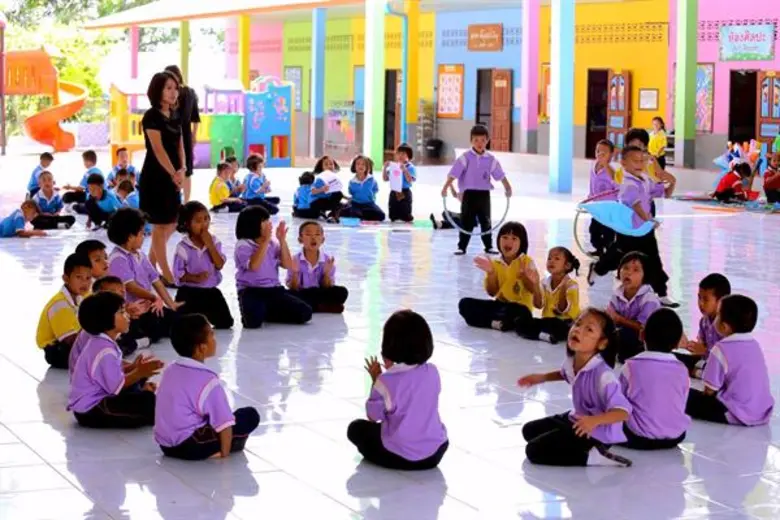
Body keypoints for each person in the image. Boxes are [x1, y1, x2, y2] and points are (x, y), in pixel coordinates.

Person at [518, 308, 632, 467]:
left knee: (533, 451)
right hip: (577, 418)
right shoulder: (573, 361)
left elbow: (623, 412)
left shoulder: (604, 376)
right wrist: (541, 378)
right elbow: (564, 374)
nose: (578, 330)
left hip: (595, 431)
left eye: (589, 329)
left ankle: (595, 457)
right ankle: (575, 444)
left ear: (602, 343)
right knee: (529, 430)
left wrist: (593, 421)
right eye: (578, 324)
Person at [347, 310, 448, 470]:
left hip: (400, 455)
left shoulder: (386, 381)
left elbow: (373, 416)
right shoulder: (432, 371)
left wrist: (376, 381)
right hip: (435, 453)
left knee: (355, 429)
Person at [155, 314, 259, 460]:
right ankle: (223, 447)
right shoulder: (208, 381)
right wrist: (224, 453)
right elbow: (224, 423)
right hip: (191, 445)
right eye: (211, 334)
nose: (215, 339)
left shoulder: (170, 370)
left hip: (165, 446)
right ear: (201, 348)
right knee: (249, 415)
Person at [589, 145, 677, 307]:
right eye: (635, 161)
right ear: (624, 163)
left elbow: (664, 193)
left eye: (642, 160)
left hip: (644, 231)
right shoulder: (628, 184)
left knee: (653, 260)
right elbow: (636, 206)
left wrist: (672, 182)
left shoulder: (646, 180)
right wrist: (649, 220)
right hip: (629, 230)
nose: (640, 164)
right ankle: (598, 268)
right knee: (618, 257)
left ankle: (661, 293)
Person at [67, 291, 163, 429]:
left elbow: (113, 374)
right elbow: (116, 386)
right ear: (105, 319)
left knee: (140, 387)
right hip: (92, 410)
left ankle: (142, 392)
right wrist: (139, 372)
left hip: (99, 399)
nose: (127, 316)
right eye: (122, 312)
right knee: (148, 402)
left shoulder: (102, 342)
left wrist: (135, 368)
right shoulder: (104, 351)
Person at [685, 295, 774, 426]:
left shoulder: (721, 348)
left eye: (718, 315)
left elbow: (709, 391)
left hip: (734, 412)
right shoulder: (755, 344)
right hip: (761, 412)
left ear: (724, 326)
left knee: (685, 395)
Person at [107, 208, 183, 343]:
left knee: (177, 320)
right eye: (142, 233)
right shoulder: (118, 258)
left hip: (148, 306)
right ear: (130, 237)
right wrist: (153, 297)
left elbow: (156, 280)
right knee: (154, 329)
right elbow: (131, 287)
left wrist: (171, 304)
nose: (144, 236)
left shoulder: (139, 254)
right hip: (133, 312)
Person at [619, 308, 690, 450]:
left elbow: (618, 401)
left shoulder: (631, 366)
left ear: (642, 335)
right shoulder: (682, 369)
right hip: (675, 436)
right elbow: (682, 401)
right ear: (677, 343)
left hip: (638, 437)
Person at [140, 70, 185, 287]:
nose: (173, 92)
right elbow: (158, 149)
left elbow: (180, 145)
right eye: (168, 88)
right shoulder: (151, 116)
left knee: (172, 223)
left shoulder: (176, 115)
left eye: (175, 88)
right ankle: (165, 274)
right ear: (158, 91)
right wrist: (173, 173)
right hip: (156, 177)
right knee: (160, 226)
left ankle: (149, 266)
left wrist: (182, 169)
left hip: (174, 175)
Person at [234, 206, 313, 328]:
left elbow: (287, 264)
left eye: (268, 220)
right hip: (250, 291)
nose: (269, 224)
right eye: (264, 221)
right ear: (252, 224)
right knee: (253, 323)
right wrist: (265, 241)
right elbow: (254, 266)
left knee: (305, 313)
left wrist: (282, 240)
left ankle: (266, 311)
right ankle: (262, 311)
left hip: (273, 290)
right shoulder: (243, 245)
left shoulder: (273, 244)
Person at [441, 125, 513, 255]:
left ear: (487, 141)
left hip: (484, 194)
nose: (479, 143)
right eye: (476, 140)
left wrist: (507, 187)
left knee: (486, 220)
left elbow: (500, 175)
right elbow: (453, 174)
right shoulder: (465, 157)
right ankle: (462, 247)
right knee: (466, 221)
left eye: (483, 140)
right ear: (471, 141)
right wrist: (446, 187)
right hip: (469, 195)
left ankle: (488, 246)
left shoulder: (490, 159)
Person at [458, 221, 542, 331]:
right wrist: (491, 273)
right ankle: (496, 323)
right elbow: (492, 293)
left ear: (522, 243)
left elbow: (534, 294)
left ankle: (495, 321)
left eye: (514, 239)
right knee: (465, 304)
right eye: (505, 237)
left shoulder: (527, 262)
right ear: (498, 240)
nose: (508, 242)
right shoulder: (495, 263)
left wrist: (524, 277)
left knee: (520, 312)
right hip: (500, 306)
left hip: (519, 308)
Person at [173, 201, 234, 329]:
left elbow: (219, 265)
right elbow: (179, 275)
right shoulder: (183, 247)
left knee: (226, 323)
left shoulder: (215, 242)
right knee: (181, 325)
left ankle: (204, 315)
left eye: (206, 219)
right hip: (189, 292)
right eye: (198, 221)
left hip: (210, 291)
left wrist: (210, 245)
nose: (204, 224)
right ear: (187, 224)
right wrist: (194, 278)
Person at [35, 253, 92, 369]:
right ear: (66, 278)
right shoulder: (59, 304)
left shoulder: (84, 296)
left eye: (88, 278)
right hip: (57, 349)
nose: (84, 283)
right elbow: (70, 340)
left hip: (75, 340)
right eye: (79, 277)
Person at [515, 247, 580, 344]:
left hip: (565, 323)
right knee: (521, 322)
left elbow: (562, 309)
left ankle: (542, 334)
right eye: (549, 258)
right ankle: (544, 335)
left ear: (567, 265)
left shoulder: (572, 285)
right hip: (547, 321)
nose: (551, 261)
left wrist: (563, 289)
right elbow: (538, 305)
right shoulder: (544, 282)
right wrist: (535, 285)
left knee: (557, 326)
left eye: (557, 258)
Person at [606, 252, 661, 363]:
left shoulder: (648, 298)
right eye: (625, 268)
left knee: (626, 335)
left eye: (636, 270)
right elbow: (610, 316)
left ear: (645, 275)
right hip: (624, 335)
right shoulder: (617, 294)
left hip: (645, 341)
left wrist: (618, 319)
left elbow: (643, 328)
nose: (629, 272)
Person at [286, 221, 349, 313]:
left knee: (342, 292)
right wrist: (295, 273)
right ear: (300, 239)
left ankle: (311, 306)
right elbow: (293, 288)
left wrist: (326, 274)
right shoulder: (295, 260)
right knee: (287, 295)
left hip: (319, 292)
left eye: (317, 234)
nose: (313, 238)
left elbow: (327, 287)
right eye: (308, 234)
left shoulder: (327, 260)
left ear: (322, 239)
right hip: (302, 293)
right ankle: (321, 306)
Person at [677, 273, 731, 376]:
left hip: (721, 367)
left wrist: (705, 351)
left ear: (721, 301)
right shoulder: (704, 321)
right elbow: (701, 345)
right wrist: (688, 345)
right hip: (706, 362)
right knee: (673, 358)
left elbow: (728, 358)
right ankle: (699, 372)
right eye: (699, 298)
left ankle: (701, 373)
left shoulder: (727, 326)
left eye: (706, 299)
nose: (700, 303)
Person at [164, 65, 200, 203]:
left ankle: (175, 201)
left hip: (172, 131)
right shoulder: (191, 92)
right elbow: (195, 117)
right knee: (187, 170)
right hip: (186, 133)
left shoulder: (171, 92)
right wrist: (194, 135)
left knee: (173, 166)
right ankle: (186, 202)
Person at [587, 139, 617, 256]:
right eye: (598, 151)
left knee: (608, 232)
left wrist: (605, 164)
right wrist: (590, 198)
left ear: (611, 155)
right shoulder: (593, 167)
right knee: (594, 230)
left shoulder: (611, 170)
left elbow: (615, 179)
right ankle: (599, 249)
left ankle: (609, 252)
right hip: (597, 207)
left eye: (604, 153)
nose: (600, 154)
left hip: (609, 208)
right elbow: (592, 183)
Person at [342, 155, 385, 221]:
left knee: (381, 215)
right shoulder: (352, 181)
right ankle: (352, 211)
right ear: (354, 167)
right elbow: (351, 192)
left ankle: (361, 214)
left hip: (369, 203)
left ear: (367, 167)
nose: (360, 166)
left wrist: (371, 196)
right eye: (358, 164)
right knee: (355, 215)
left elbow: (375, 189)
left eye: (363, 164)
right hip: (356, 204)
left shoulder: (371, 179)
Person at [383, 144, 416, 223]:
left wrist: (405, 170)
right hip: (394, 191)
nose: (400, 156)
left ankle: (406, 215)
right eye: (398, 153)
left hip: (405, 191)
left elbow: (410, 180)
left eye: (403, 154)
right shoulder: (393, 166)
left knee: (406, 216)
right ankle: (395, 215)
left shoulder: (410, 167)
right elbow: (385, 179)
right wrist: (385, 168)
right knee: (393, 216)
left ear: (408, 156)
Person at [310, 156, 345, 222]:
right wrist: (322, 189)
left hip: (326, 200)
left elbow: (336, 191)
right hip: (316, 202)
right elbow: (313, 191)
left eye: (331, 164)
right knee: (338, 196)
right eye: (326, 164)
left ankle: (332, 215)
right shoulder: (319, 178)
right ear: (321, 167)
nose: (329, 166)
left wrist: (348, 198)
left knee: (339, 197)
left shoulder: (333, 178)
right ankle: (321, 212)